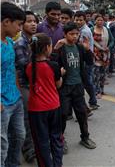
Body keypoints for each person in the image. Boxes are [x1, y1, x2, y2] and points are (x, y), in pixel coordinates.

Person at [53, 22, 96, 151]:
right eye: (72, 34)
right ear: (65, 34)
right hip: (64, 87)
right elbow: (53, 65)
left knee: (82, 113)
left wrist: (88, 50)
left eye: (77, 34)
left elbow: (89, 61)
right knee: (63, 115)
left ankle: (85, 137)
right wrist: (55, 49)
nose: (75, 36)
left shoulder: (80, 47)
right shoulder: (60, 48)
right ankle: (61, 139)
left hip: (78, 85)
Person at [26, 33, 64, 167]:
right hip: (54, 106)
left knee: (41, 141)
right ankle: (57, 164)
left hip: (36, 109)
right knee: (56, 138)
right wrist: (61, 74)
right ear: (48, 47)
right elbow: (58, 85)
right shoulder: (53, 65)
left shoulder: (29, 66)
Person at [1, 2, 26, 166]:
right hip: (2, 105)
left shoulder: (9, 42)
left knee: (19, 137)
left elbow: (13, 69)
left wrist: (18, 92)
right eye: (18, 24)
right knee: (2, 146)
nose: (20, 29)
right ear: (6, 22)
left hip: (15, 100)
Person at [14, 11, 37, 163]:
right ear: (21, 25)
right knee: (27, 119)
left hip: (34, 83)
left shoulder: (33, 40)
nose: (33, 24)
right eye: (29, 21)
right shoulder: (20, 44)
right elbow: (26, 67)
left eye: (34, 21)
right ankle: (28, 149)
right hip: (23, 85)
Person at [74, 11, 99, 110]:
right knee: (87, 81)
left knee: (87, 82)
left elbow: (84, 47)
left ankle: (92, 102)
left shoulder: (84, 31)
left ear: (85, 20)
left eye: (81, 20)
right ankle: (93, 101)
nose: (78, 22)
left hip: (85, 60)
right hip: (85, 59)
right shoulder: (80, 29)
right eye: (76, 20)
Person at [91, 15, 114, 96]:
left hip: (105, 55)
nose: (100, 22)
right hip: (95, 55)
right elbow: (89, 41)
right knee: (96, 74)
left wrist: (108, 47)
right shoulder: (91, 29)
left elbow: (112, 40)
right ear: (95, 21)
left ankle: (102, 90)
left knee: (103, 74)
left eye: (101, 20)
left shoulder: (106, 30)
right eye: (98, 20)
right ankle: (97, 91)